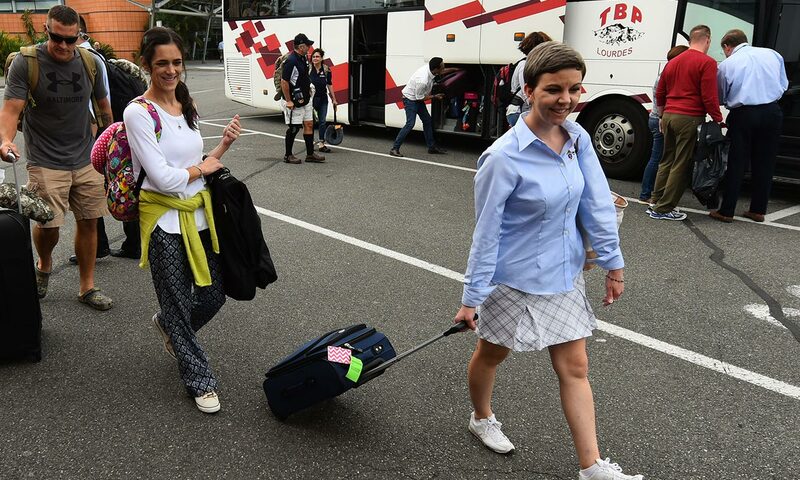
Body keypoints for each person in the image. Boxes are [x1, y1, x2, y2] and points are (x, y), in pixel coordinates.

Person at [454, 41, 642, 480]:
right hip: (513, 280)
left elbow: (596, 202)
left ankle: (591, 466)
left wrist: (614, 265)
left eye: (575, 89)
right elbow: (486, 232)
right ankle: (481, 417)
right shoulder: (502, 157)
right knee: (491, 355)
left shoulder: (577, 138)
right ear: (528, 89)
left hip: (564, 274)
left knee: (575, 367)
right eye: (554, 89)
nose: (566, 100)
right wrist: (471, 297)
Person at [125, 27, 241, 414]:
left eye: (176, 62)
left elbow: (194, 161)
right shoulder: (138, 112)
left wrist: (221, 146)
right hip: (162, 221)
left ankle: (171, 326)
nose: (171, 70)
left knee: (213, 293)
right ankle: (199, 380)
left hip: (198, 218)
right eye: (162, 63)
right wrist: (201, 168)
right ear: (146, 64)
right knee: (177, 302)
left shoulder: (185, 104)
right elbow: (165, 178)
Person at [0, 5, 114, 311]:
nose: (63, 45)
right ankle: (45, 263)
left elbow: (104, 106)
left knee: (89, 221)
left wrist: (113, 146)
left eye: (70, 39)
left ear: (79, 35)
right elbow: (11, 108)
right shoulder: (27, 62)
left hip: (86, 156)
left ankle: (87, 286)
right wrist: (6, 139)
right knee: (48, 225)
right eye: (56, 37)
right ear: (46, 31)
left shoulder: (91, 61)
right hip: (45, 159)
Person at [710, 29, 788, 224]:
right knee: (765, 161)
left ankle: (727, 210)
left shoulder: (728, 64)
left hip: (744, 113)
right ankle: (758, 210)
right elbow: (783, 84)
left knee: (737, 162)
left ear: (728, 46)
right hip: (772, 112)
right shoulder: (772, 54)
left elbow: (720, 94)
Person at [649, 25, 722, 221]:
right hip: (689, 117)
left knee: (666, 159)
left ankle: (655, 199)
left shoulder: (673, 62)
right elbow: (709, 95)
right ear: (707, 40)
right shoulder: (707, 62)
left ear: (690, 40)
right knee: (681, 163)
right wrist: (718, 118)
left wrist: (663, 114)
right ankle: (664, 208)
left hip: (669, 115)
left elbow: (660, 91)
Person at [637, 45, 689, 203]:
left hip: (656, 117)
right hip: (660, 119)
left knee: (658, 157)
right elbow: (663, 99)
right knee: (659, 158)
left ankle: (647, 193)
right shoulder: (669, 76)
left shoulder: (664, 73)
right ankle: (647, 194)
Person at [389, 57, 459, 157]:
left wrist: (455, 69)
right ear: (435, 69)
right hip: (410, 100)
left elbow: (442, 71)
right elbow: (419, 98)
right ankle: (394, 149)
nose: (444, 69)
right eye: (442, 68)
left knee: (427, 121)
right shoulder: (423, 80)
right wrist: (435, 96)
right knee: (410, 124)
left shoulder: (431, 69)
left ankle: (431, 147)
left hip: (417, 98)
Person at [280, 33, 326, 164]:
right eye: (308, 45)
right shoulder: (291, 60)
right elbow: (284, 81)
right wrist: (288, 100)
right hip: (294, 99)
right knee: (294, 128)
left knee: (309, 124)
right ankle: (288, 155)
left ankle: (310, 154)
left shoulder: (303, 58)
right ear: (301, 46)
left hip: (306, 97)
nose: (310, 47)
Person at [506, 31, 552, 127]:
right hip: (519, 112)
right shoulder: (525, 66)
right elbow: (527, 95)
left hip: (521, 112)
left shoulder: (528, 64)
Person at [309, 48, 337, 153]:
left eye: (317, 57)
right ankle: (310, 142)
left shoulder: (326, 69)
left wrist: (334, 99)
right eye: (313, 56)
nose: (315, 58)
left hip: (323, 98)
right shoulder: (308, 68)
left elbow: (329, 84)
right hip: (311, 99)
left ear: (321, 58)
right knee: (310, 122)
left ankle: (321, 143)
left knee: (322, 121)